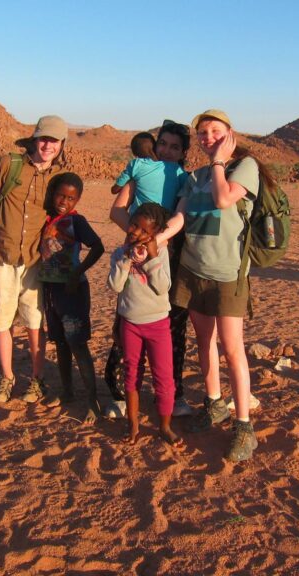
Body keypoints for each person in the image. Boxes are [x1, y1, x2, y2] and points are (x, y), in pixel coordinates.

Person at [158, 109, 275, 462]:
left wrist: (221, 162)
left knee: (232, 348)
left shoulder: (245, 168)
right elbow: (182, 215)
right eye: (203, 133)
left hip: (227, 274)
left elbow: (224, 199)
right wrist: (159, 238)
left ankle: (243, 426)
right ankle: (214, 403)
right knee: (203, 341)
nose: (208, 138)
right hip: (193, 270)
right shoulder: (194, 177)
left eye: (215, 132)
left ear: (229, 134)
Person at [0, 115, 68, 404]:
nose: (48, 145)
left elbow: (60, 219)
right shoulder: (8, 164)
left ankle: (37, 380)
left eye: (54, 140)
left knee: (34, 322)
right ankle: (7, 377)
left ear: (62, 144)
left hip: (35, 262)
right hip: (1, 257)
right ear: (35, 139)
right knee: (3, 322)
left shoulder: (57, 178)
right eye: (44, 139)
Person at [105, 120, 194, 418]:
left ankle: (173, 394)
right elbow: (117, 210)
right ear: (155, 146)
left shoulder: (185, 179)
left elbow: (180, 217)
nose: (167, 151)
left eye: (175, 147)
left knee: (173, 325)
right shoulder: (140, 172)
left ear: (183, 152)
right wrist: (138, 237)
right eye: (163, 144)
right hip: (134, 255)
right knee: (127, 319)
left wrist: (155, 242)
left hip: (169, 255)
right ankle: (120, 392)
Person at [107, 203, 182, 446]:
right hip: (131, 323)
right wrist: (127, 260)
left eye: (143, 230)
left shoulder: (160, 254)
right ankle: (133, 425)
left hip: (158, 324)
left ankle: (165, 426)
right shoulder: (121, 254)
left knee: (163, 377)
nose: (135, 232)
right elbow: (116, 286)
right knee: (131, 374)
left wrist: (150, 258)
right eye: (134, 225)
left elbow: (163, 287)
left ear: (154, 233)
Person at [38, 172, 104, 424]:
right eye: (61, 195)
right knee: (61, 343)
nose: (65, 201)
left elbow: (97, 246)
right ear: (53, 193)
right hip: (50, 290)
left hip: (73, 291)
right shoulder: (44, 218)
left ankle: (92, 401)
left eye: (71, 198)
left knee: (77, 344)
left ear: (78, 200)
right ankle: (66, 392)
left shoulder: (77, 221)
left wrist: (79, 271)